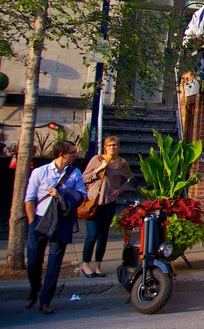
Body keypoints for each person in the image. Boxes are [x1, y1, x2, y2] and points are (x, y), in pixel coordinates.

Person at [25, 140, 87, 314]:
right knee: (34, 261)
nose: (76, 155)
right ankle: (34, 289)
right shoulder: (40, 172)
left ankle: (45, 300)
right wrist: (32, 222)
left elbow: (83, 196)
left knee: (54, 263)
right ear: (61, 154)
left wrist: (63, 193)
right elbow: (29, 198)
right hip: (39, 220)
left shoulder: (75, 174)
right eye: (72, 152)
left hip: (61, 222)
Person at [81, 135, 133, 278]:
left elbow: (129, 179)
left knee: (103, 236)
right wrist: (99, 169)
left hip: (108, 202)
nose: (112, 148)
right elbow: (84, 178)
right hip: (93, 202)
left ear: (118, 147)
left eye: (114, 145)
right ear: (105, 147)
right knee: (92, 235)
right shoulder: (97, 160)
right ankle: (85, 264)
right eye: (109, 145)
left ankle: (98, 265)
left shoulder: (122, 163)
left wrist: (119, 190)